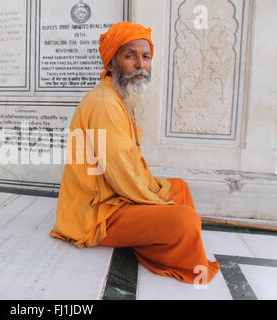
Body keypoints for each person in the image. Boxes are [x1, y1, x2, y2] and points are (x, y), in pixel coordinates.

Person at [50, 21, 219, 284]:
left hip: (118, 196)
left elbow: (131, 163)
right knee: (184, 218)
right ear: (111, 63)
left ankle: (155, 237)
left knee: (181, 188)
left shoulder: (120, 97)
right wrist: (161, 198)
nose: (140, 64)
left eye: (146, 56)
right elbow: (124, 176)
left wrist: (158, 189)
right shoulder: (106, 104)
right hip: (98, 213)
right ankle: (163, 242)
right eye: (130, 56)